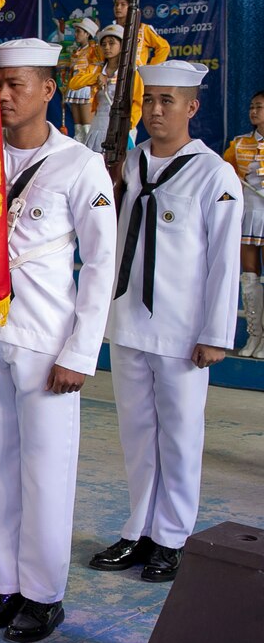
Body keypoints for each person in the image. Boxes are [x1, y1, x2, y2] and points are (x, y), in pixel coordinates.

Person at [0, 41, 119, 643]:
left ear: (49, 90)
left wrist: (80, 352)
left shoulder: (78, 165)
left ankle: (44, 595)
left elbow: (100, 264)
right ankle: (7, 582)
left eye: (18, 84)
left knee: (45, 471)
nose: (6, 95)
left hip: (45, 343)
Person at [90, 60, 242, 584]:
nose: (155, 110)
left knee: (178, 435)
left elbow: (225, 262)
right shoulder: (128, 164)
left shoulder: (215, 174)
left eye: (167, 101)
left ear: (192, 107)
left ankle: (173, 537)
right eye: (149, 100)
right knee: (136, 433)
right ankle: (139, 529)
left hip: (183, 331)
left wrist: (216, 335)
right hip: (129, 318)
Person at [223, 90, 264, 356]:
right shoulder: (239, 144)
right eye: (251, 107)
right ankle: (254, 335)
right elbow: (226, 175)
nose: (253, 111)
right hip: (249, 215)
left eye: (259, 107)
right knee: (248, 277)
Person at [68, 23, 142, 153]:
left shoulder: (131, 72)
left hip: (122, 126)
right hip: (98, 124)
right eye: (104, 44)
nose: (107, 47)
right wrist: (96, 78)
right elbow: (73, 83)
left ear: (122, 46)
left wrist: (128, 125)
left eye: (112, 43)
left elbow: (138, 101)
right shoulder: (96, 68)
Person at [61, 17, 102, 145]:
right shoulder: (76, 52)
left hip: (87, 89)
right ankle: (79, 149)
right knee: (77, 126)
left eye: (79, 31)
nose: (76, 34)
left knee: (87, 125)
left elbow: (99, 66)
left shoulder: (94, 50)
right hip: (74, 88)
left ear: (87, 33)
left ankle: (90, 151)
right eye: (76, 31)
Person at [111, 0, 169, 67]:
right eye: (116, 4)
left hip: (137, 75)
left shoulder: (143, 29)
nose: (118, 7)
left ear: (132, 8)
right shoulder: (110, 30)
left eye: (123, 4)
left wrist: (151, 69)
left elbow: (164, 47)